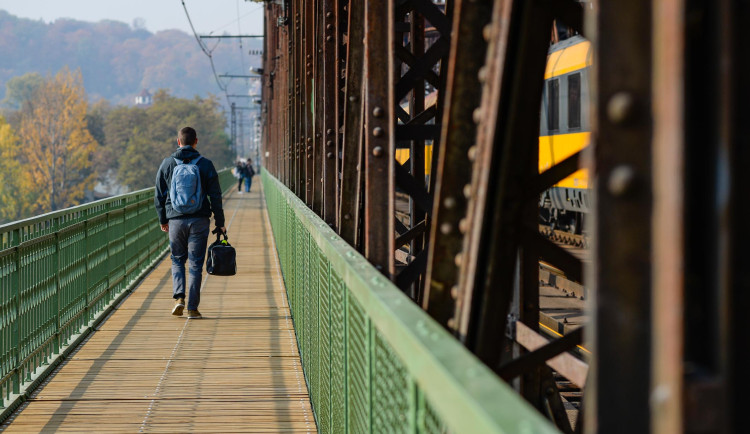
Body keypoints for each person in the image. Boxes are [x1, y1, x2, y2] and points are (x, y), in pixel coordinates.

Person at [155, 127, 226, 319]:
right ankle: (193, 308)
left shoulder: (167, 163)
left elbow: (159, 195)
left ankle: (179, 298)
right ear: (196, 141)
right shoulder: (206, 165)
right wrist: (220, 222)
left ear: (178, 142)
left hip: (175, 220)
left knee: (177, 259)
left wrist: (163, 218)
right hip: (199, 220)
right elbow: (215, 196)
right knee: (195, 264)